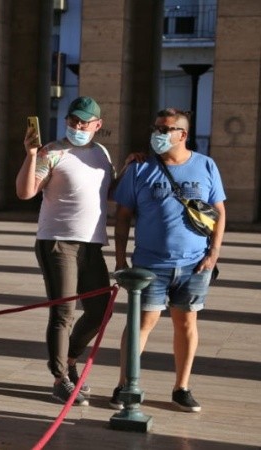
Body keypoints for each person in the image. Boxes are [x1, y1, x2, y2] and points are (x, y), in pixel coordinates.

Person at [110, 108, 226, 413]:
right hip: (149, 265)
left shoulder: (206, 165)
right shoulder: (140, 169)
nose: (158, 134)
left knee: (186, 322)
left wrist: (213, 253)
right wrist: (121, 260)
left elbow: (219, 212)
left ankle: (182, 387)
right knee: (141, 323)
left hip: (194, 264)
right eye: (156, 128)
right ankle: (125, 384)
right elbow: (122, 216)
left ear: (182, 134)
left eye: (165, 129)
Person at [15, 96, 115, 406]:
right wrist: (31, 154)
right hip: (58, 242)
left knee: (100, 310)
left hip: (92, 244)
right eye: (73, 120)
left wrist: (130, 167)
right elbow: (25, 192)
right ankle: (60, 378)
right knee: (64, 313)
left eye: (85, 122)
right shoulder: (52, 152)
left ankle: (70, 359)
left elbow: (108, 190)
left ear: (97, 125)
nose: (78, 127)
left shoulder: (101, 153)